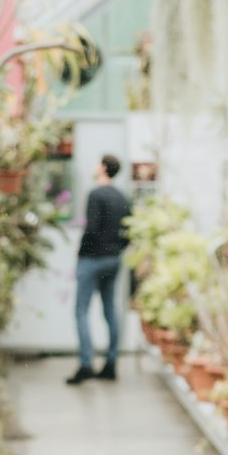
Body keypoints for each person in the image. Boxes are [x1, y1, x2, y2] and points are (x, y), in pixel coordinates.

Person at [67, 154, 132, 384]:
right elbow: (129, 231)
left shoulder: (95, 194)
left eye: (97, 164)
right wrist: (116, 250)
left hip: (92, 259)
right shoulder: (122, 196)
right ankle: (111, 363)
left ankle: (86, 364)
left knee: (81, 310)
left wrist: (81, 254)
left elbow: (91, 229)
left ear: (104, 167)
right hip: (113, 260)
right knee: (110, 309)